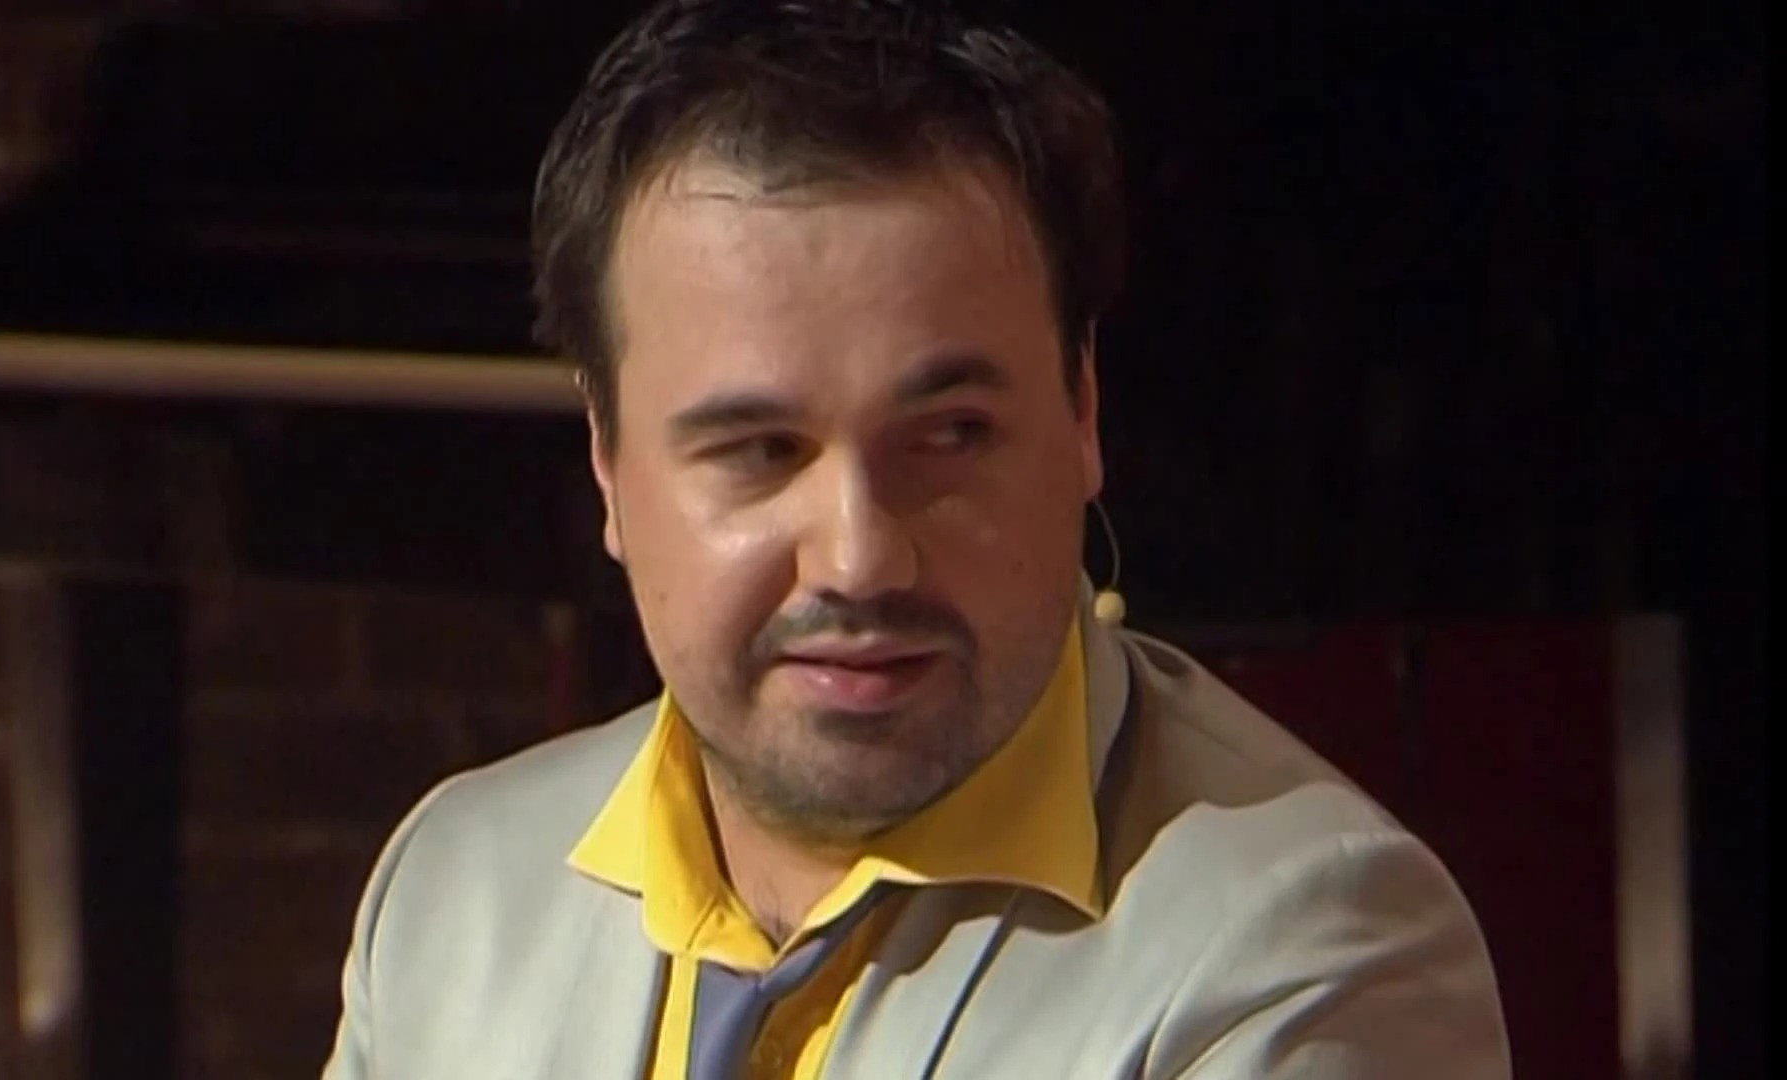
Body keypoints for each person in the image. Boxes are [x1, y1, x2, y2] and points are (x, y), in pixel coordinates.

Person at [322, 2, 1510, 1076]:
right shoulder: (453, 893)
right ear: (608, 462)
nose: (859, 558)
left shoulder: (1306, 953)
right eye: (760, 451)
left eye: (951, 435)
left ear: (1083, 410)